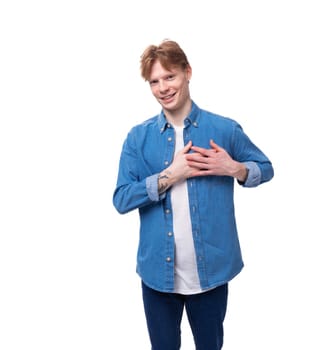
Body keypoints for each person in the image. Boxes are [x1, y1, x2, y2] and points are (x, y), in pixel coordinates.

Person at [112, 39, 274, 350]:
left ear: (187, 72)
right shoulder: (138, 138)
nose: (163, 88)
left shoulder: (223, 129)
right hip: (157, 275)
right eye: (154, 82)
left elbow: (265, 168)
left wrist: (235, 168)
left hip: (212, 272)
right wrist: (170, 175)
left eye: (169, 77)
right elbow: (121, 199)